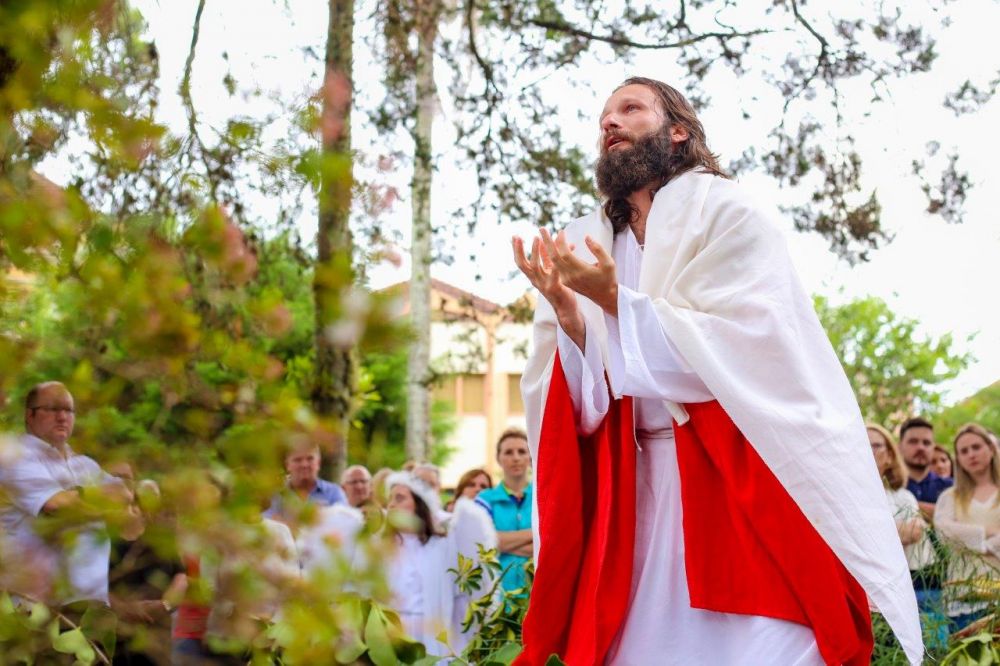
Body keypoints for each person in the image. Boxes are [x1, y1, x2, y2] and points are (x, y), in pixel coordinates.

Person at [512, 78, 921, 665]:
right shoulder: (585, 242)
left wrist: (615, 302)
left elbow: (749, 348)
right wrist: (572, 319)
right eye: (603, 117)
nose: (610, 123)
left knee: (775, 644)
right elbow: (583, 404)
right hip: (636, 490)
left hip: (734, 476)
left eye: (629, 109)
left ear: (677, 131)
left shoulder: (728, 213)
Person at [0, 381, 143, 607]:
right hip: (36, 609)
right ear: (30, 415)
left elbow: (130, 520)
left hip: (92, 606)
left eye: (68, 410)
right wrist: (110, 499)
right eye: (53, 409)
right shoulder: (15, 457)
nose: (62, 417)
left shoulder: (85, 465)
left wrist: (119, 491)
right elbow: (58, 504)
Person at [383, 472, 496, 656]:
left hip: (433, 635)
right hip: (393, 636)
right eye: (390, 499)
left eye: (400, 498)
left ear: (419, 505)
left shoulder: (442, 546)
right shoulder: (382, 549)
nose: (392, 504)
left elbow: (464, 592)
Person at [933, 423, 1000, 631]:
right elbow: (944, 533)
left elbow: (957, 533)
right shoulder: (949, 497)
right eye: (964, 451)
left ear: (990, 448)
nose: (971, 454)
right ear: (958, 459)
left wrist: (969, 537)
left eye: (976, 447)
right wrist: (988, 536)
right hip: (963, 593)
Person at [475, 429, 533, 593]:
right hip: (496, 594)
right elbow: (480, 544)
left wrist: (500, 542)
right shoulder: (484, 499)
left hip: (536, 594)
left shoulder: (542, 497)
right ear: (498, 459)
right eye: (508, 452)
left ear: (530, 457)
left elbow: (553, 545)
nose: (516, 458)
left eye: (522, 451)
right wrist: (535, 534)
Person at [263, 442, 346, 521]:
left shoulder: (334, 493)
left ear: (318, 463)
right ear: (287, 465)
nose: (304, 464)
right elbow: (268, 525)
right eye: (298, 460)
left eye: (310, 459)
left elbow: (344, 522)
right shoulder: (276, 496)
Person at [899, 417, 953, 519]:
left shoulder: (950, 487)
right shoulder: (888, 486)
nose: (920, 447)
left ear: (933, 447)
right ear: (900, 446)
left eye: (926, 443)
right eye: (913, 441)